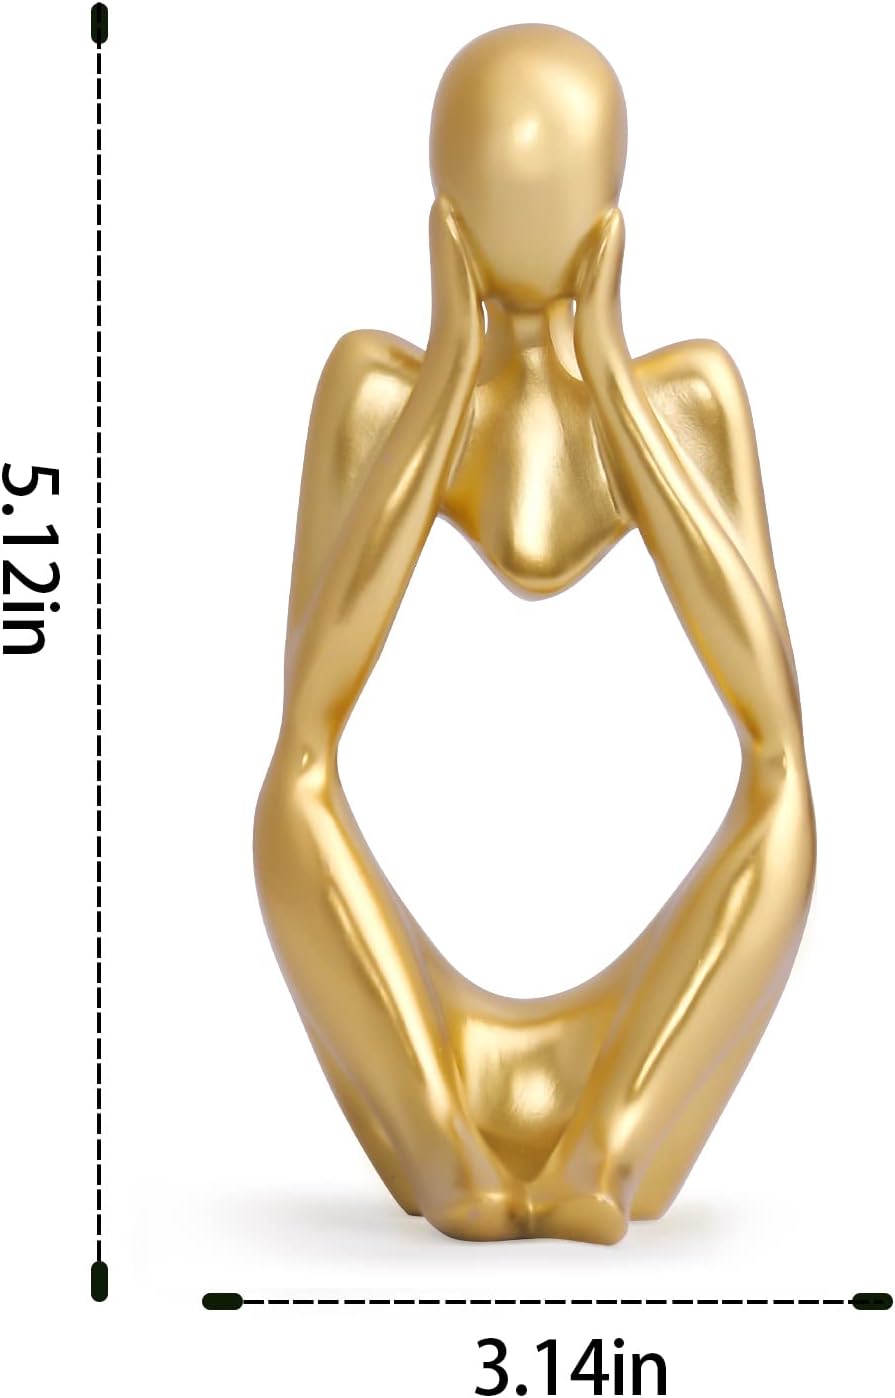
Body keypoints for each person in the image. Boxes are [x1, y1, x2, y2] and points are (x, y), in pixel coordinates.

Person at [253, 24, 816, 1242]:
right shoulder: (376, 392)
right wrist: (449, 369)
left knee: (785, 800)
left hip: (634, 1043)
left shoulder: (689, 398)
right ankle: (445, 1150)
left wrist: (608, 369)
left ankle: (602, 1153)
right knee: (287, 793)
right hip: (425, 1046)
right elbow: (309, 718)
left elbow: (772, 729)